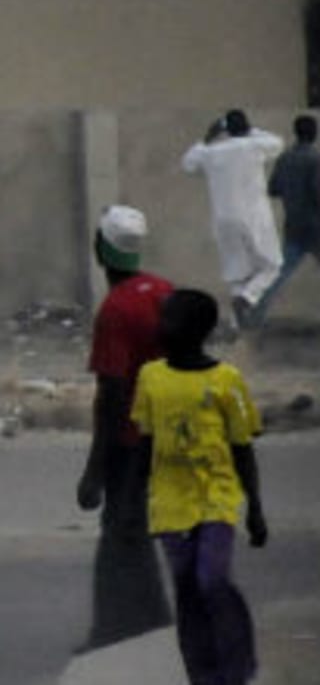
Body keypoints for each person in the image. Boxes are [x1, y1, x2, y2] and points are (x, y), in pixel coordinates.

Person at [132, 289, 269, 685]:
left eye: (170, 320)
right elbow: (146, 442)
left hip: (216, 495)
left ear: (197, 331)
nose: (162, 327)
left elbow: (243, 448)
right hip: (170, 499)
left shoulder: (227, 381)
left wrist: (255, 508)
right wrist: (135, 500)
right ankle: (202, 673)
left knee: (211, 578)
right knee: (187, 588)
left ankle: (238, 665)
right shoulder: (151, 377)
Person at [73, 205, 175, 652]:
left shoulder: (116, 310)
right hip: (170, 433)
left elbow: (111, 394)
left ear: (102, 250)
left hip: (132, 441)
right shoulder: (165, 292)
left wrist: (94, 470)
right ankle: (151, 619)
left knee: (118, 531)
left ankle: (113, 629)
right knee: (136, 529)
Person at [182, 110, 284, 328]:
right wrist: (252, 130)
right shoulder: (253, 146)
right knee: (272, 265)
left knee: (236, 273)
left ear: (225, 130)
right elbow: (278, 143)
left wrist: (207, 138)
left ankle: (238, 326)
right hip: (255, 218)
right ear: (246, 129)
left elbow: (188, 164)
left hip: (224, 220)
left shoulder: (212, 152)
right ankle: (247, 299)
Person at [259, 112, 320, 324]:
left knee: (278, 275)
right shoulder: (315, 159)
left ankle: (255, 315)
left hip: (293, 226)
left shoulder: (285, 158)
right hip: (316, 226)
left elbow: (273, 189)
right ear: (314, 134)